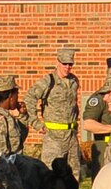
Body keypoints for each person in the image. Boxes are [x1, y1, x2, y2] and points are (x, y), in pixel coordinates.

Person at [28, 45, 84, 181]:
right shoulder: (48, 81)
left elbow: (73, 106)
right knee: (50, 175)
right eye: (64, 64)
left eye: (70, 64)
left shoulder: (73, 81)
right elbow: (29, 98)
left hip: (71, 136)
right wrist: (35, 123)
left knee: (73, 175)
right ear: (57, 62)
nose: (67, 67)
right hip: (53, 137)